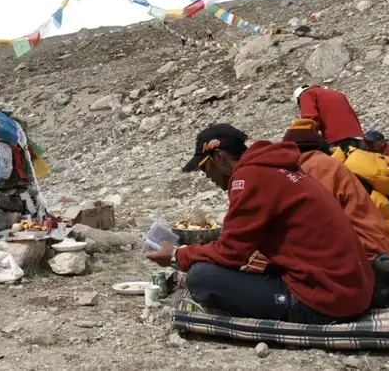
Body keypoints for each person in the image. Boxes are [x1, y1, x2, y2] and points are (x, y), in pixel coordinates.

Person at [147, 124, 374, 324]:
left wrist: (178, 255)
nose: (207, 177)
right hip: (352, 289)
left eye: (205, 169)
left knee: (201, 277)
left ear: (220, 158)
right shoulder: (275, 168)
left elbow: (231, 253)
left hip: (327, 300)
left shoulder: (248, 177)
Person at [282, 119, 389, 278]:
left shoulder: (316, 167)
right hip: (377, 202)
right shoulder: (340, 160)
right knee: (385, 239)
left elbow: (317, 217)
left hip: (369, 260)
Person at [293, 85, 363, 151]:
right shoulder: (336, 93)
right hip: (358, 136)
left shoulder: (306, 95)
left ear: (299, 99)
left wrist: (304, 141)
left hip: (338, 140)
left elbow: (310, 119)